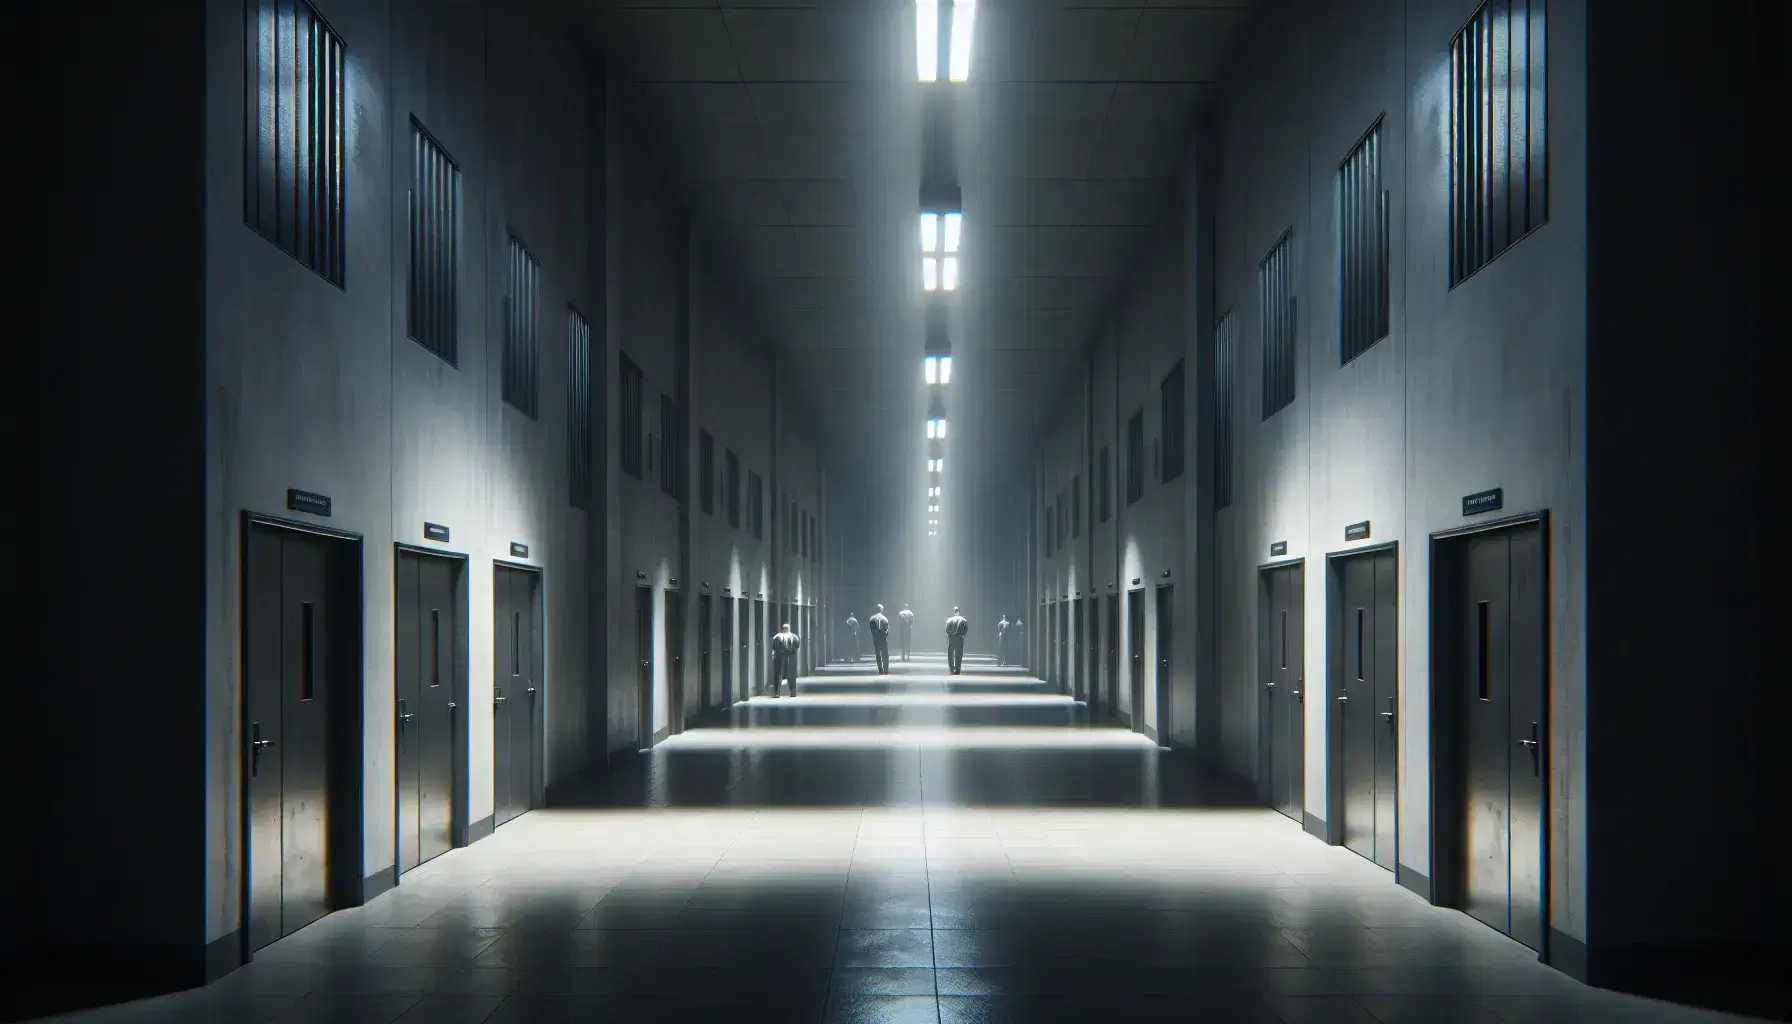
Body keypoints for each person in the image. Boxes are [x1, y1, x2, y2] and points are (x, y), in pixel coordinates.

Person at [770, 622, 801, 697]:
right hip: (781, 657)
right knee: (779, 675)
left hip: (788, 657)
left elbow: (797, 645)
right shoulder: (778, 636)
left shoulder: (793, 636)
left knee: (791, 675)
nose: (785, 629)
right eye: (784, 628)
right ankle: (777, 692)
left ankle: (792, 692)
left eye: (786, 628)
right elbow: (774, 647)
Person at [868, 604, 892, 675]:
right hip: (883, 638)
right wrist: (885, 635)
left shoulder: (871, 618)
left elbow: (871, 630)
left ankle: (880, 670)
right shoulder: (884, 618)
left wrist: (874, 635)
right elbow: (887, 630)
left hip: (876, 638)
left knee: (877, 654)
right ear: (881, 610)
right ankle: (886, 670)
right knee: (885, 654)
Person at [945, 607, 969, 675]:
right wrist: (962, 635)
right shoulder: (963, 620)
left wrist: (950, 634)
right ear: (959, 611)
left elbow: (947, 630)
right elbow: (966, 629)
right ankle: (958, 669)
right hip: (960, 639)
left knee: (950, 655)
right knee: (959, 655)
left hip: (952, 639)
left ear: (953, 611)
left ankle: (952, 669)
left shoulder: (949, 620)